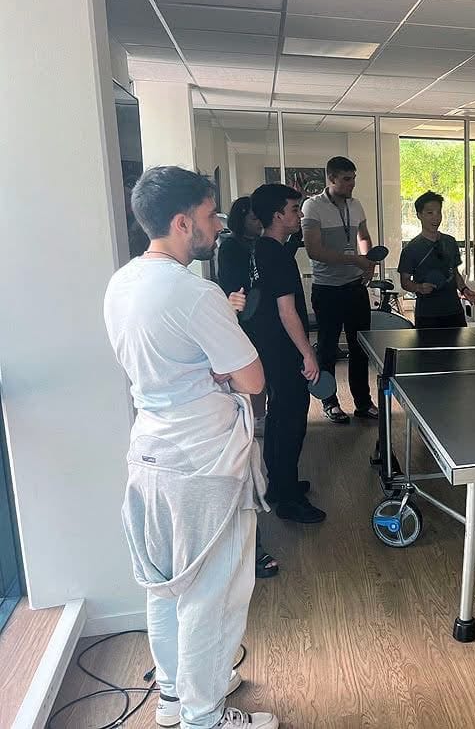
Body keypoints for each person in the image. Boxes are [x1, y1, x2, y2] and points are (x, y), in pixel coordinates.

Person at [103, 166, 279, 729]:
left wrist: (212, 363)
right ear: (182, 223)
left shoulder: (123, 281)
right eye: (209, 215)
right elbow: (252, 379)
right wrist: (222, 364)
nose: (217, 224)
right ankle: (204, 716)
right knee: (215, 593)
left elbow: (171, 356)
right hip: (204, 462)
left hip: (150, 452)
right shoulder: (195, 293)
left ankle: (177, 697)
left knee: (166, 586)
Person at [248, 183, 325, 525]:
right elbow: (286, 311)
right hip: (283, 351)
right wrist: (308, 354)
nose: (299, 215)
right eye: (294, 210)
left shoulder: (263, 249)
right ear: (278, 215)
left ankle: (279, 485)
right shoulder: (275, 254)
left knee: (279, 419)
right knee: (291, 422)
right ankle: (289, 501)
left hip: (271, 349)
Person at [216, 197, 280, 577]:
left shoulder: (262, 247)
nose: (258, 223)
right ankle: (255, 426)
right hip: (244, 328)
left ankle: (257, 432)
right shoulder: (232, 248)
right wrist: (235, 306)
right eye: (255, 218)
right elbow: (233, 292)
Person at [301, 156, 378, 424]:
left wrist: (368, 262)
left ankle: (363, 402)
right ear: (331, 179)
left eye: (354, 178)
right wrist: (354, 259)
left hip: (355, 287)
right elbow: (314, 250)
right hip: (328, 289)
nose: (352, 184)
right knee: (327, 348)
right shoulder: (312, 206)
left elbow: (364, 237)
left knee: (361, 348)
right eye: (347, 179)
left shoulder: (355, 205)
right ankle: (329, 401)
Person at [398, 191, 475, 328]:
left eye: (438, 212)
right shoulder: (411, 249)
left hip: (454, 312)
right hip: (427, 314)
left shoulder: (450, 242)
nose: (436, 218)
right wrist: (419, 287)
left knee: (458, 350)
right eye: (430, 213)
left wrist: (465, 290)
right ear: (419, 215)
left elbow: (455, 273)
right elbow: (405, 282)